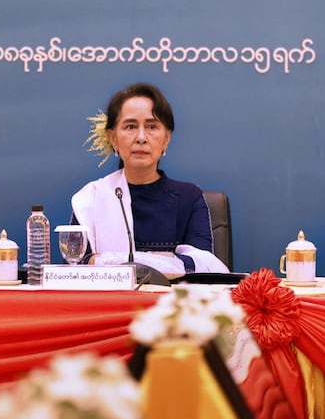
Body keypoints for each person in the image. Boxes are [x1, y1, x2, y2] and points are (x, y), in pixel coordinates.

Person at [71, 82, 228, 275]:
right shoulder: (91, 199)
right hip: (107, 304)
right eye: (130, 126)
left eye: (152, 126)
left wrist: (107, 260)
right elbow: (76, 268)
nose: (141, 137)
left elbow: (203, 266)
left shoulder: (189, 197)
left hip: (172, 304)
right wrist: (168, 261)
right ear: (113, 138)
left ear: (166, 139)